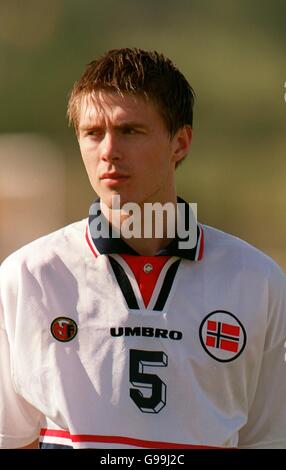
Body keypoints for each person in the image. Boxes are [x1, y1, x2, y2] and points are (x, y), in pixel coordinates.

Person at [0, 48, 285, 450]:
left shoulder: (257, 280)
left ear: (180, 143)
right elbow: (11, 439)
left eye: (130, 131)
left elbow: (267, 439)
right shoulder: (28, 275)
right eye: (92, 133)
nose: (108, 151)